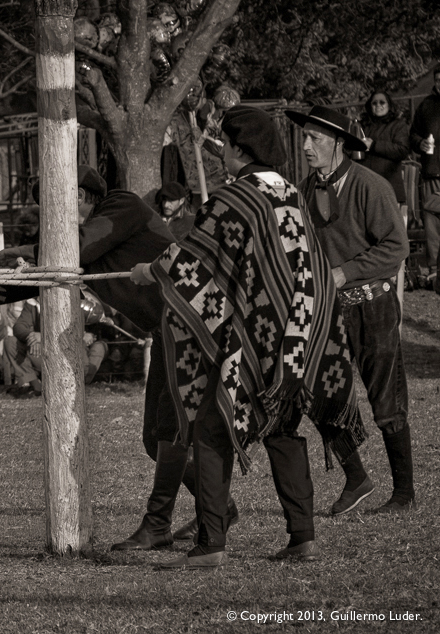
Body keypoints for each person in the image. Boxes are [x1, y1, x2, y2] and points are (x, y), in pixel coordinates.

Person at [0, 165, 215, 551]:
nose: (49, 218)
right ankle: (217, 508)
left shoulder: (121, 207)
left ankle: (163, 522)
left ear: (80, 197)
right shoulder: (86, 242)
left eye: (53, 204)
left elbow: (69, 249)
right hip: (168, 331)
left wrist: (23, 252)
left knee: (170, 429)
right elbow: (44, 273)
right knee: (155, 437)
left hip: (194, 323)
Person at [130, 105, 365, 568]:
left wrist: (148, 270)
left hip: (254, 339)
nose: (221, 153)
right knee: (283, 428)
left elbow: (193, 263)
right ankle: (303, 537)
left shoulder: (234, 200)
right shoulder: (291, 195)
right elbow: (305, 265)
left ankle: (210, 544)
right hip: (297, 338)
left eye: (226, 144)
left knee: (212, 429)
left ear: (239, 149)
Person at [286, 105, 414, 515]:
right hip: (327, 312)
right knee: (320, 396)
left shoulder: (370, 186)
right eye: (304, 138)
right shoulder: (303, 192)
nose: (306, 146)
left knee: (386, 402)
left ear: (339, 144)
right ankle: (356, 477)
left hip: (372, 308)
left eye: (315, 140)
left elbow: (397, 247)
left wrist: (346, 272)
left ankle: (404, 494)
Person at [163, 77, 229, 207]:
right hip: (196, 187)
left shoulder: (215, 118)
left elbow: (222, 148)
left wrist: (205, 134)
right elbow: (164, 140)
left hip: (221, 184)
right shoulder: (176, 121)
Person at [410, 66, 440, 287]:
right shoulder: (426, 106)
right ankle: (434, 272)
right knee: (432, 227)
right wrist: (419, 143)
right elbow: (412, 135)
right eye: (438, 80)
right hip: (432, 173)